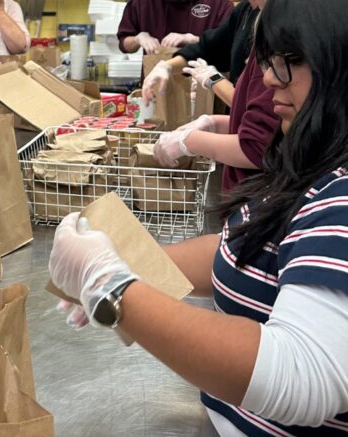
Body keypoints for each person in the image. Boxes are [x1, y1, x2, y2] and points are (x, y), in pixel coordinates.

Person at [49, 1, 348, 435]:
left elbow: (304, 375)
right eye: (268, 61)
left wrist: (115, 290)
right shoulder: (307, 158)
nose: (268, 78)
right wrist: (134, 266)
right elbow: (244, 248)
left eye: (291, 60)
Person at [152, 46, 279, 192]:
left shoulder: (273, 48)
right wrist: (214, 123)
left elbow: (258, 146)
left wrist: (189, 140)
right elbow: (258, 124)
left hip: (263, 193)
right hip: (245, 192)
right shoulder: (263, 46)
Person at [143, 0, 263, 106]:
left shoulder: (275, 23)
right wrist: (167, 66)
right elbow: (208, 49)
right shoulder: (245, 10)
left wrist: (214, 79)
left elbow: (253, 108)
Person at [117, 0, 233, 55]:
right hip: (153, 89)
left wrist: (195, 40)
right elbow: (124, 44)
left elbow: (228, 49)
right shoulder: (141, 3)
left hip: (204, 89)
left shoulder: (219, 4)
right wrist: (138, 39)